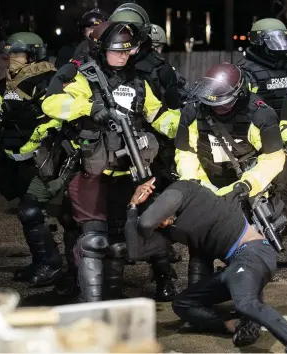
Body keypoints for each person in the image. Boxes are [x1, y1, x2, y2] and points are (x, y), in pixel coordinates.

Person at [124, 178, 287, 353]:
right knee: (182, 304)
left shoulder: (186, 190)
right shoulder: (172, 229)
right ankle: (235, 324)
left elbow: (146, 223)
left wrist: (143, 209)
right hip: (234, 267)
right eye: (159, 223)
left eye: (161, 215)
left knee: (245, 302)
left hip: (253, 253)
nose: (162, 223)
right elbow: (135, 251)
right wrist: (132, 207)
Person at [42, 21, 165, 302]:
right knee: (93, 241)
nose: (124, 56)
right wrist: (90, 108)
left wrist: (189, 125)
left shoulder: (138, 80)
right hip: (90, 173)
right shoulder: (83, 76)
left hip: (126, 175)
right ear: (100, 49)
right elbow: (50, 104)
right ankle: (90, 307)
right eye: (116, 51)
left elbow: (158, 114)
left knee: (120, 245)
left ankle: (112, 306)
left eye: (128, 51)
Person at [175, 63, 287, 284]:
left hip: (245, 185)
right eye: (214, 103)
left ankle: (247, 304)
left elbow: (273, 158)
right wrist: (194, 183)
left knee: (245, 248)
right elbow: (185, 152)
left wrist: (247, 185)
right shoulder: (193, 110)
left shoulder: (260, 114)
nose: (219, 108)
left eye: (224, 103)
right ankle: (197, 302)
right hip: (206, 183)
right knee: (199, 244)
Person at [0, 33, 62, 286]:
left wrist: (35, 141)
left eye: (18, 55)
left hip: (43, 157)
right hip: (15, 156)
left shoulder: (49, 81)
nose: (12, 60)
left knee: (31, 210)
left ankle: (52, 265)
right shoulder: (5, 84)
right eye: (9, 55)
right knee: (29, 213)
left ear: (33, 55)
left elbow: (57, 119)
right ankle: (41, 260)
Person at [109, 4, 183, 301]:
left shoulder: (156, 69)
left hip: (150, 151)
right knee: (107, 219)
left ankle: (164, 276)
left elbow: (170, 110)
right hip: (110, 152)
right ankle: (90, 280)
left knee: (153, 215)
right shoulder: (98, 65)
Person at [237, 18, 287, 266]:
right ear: (259, 42)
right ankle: (251, 251)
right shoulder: (245, 74)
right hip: (255, 148)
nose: (281, 49)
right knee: (258, 203)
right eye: (275, 42)